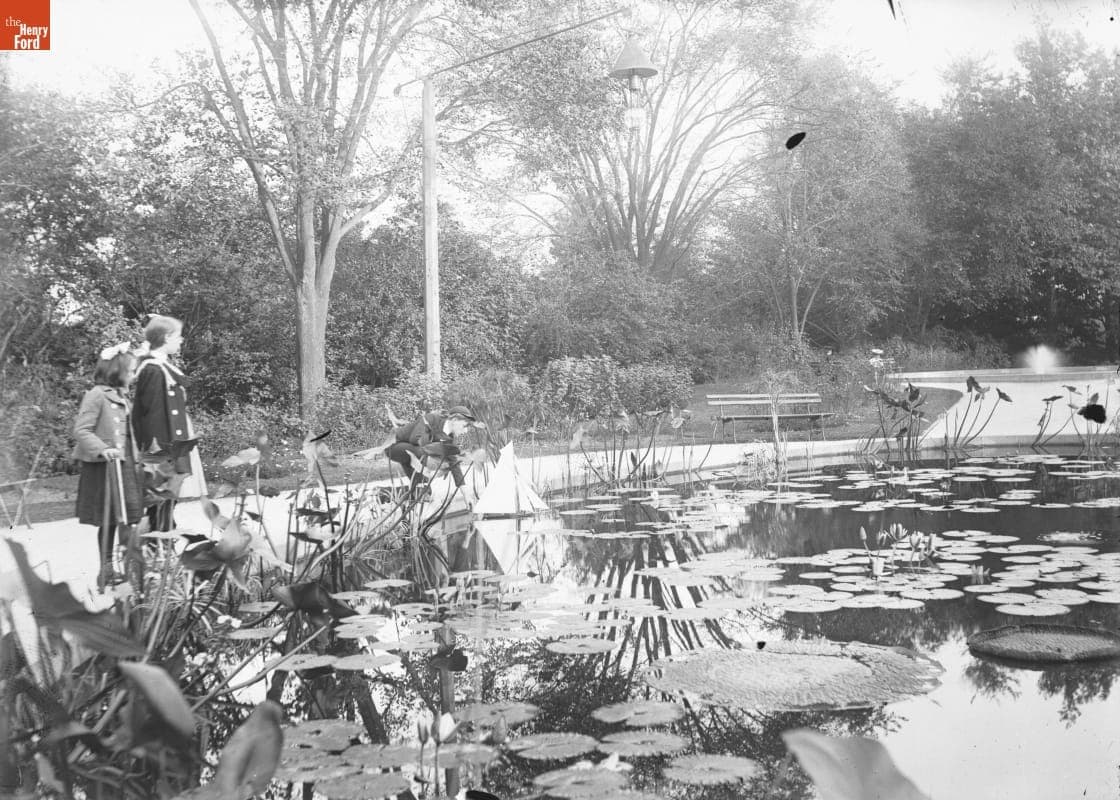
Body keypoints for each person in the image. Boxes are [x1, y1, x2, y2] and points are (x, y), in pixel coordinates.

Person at [73, 342, 144, 587]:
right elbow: (81, 431)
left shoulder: (121, 396)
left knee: (124, 518)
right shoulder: (96, 395)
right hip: (105, 467)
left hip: (124, 466)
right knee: (108, 519)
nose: (133, 376)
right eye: (131, 371)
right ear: (117, 371)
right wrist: (104, 450)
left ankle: (126, 567)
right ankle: (106, 570)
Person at [133, 315, 206, 530]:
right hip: (165, 444)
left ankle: (161, 537)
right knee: (163, 495)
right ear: (166, 338)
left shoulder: (162, 367)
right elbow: (150, 416)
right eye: (178, 336)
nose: (181, 340)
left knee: (171, 494)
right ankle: (159, 542)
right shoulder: (153, 370)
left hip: (175, 441)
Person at [385, 406, 476, 493]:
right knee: (422, 452)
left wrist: (465, 494)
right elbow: (414, 438)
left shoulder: (448, 438)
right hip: (394, 446)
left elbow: (454, 464)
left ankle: (382, 493)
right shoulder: (431, 418)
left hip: (412, 454)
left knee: (423, 491)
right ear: (455, 420)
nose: (465, 431)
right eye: (464, 426)